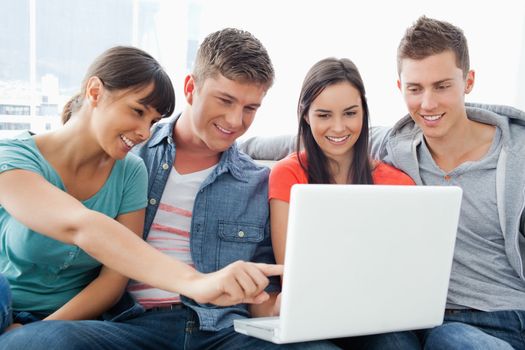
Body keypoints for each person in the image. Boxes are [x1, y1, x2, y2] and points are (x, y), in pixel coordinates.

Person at [0, 29, 338, 350]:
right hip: (133, 326)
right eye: (225, 100)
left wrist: (281, 306)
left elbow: (265, 290)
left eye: (250, 108)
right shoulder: (131, 153)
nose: (236, 121)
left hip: (221, 329)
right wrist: (198, 282)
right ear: (191, 88)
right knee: (48, 341)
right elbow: (87, 231)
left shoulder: (256, 183)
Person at [356, 16, 525, 350]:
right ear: (399, 87)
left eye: (442, 86)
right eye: (415, 89)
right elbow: (324, 136)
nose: (428, 104)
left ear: (469, 81)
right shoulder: (394, 148)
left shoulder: (515, 154)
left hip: (503, 317)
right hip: (420, 317)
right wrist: (235, 144)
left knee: (454, 340)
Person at [269, 57, 414, 267]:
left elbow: (402, 264)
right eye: (324, 115)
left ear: (363, 112)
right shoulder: (288, 174)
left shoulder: (399, 184)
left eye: (350, 113)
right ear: (306, 116)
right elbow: (288, 270)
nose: (338, 127)